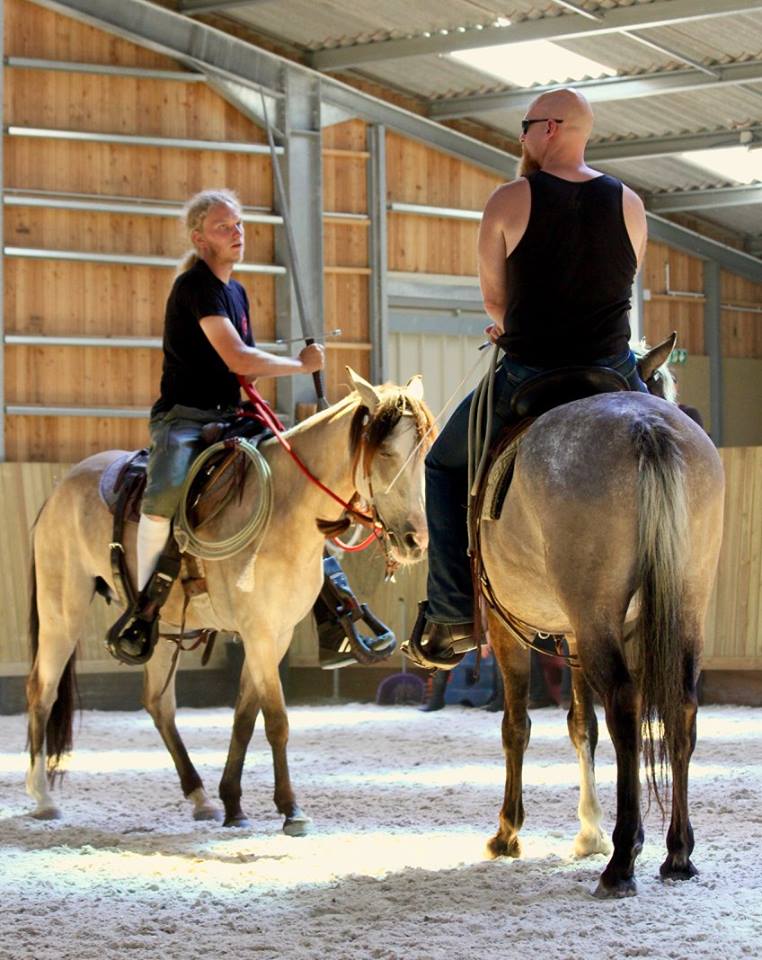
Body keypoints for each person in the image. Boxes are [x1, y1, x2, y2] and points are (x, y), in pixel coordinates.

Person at [403, 89, 649, 670]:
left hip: (531, 371)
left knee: (440, 463)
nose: (521, 137)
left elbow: (496, 301)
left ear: (551, 128)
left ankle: (450, 610)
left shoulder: (510, 199)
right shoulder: (632, 203)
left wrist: (508, 325)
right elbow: (619, 286)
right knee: (675, 440)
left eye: (526, 126)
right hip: (612, 370)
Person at [108, 188, 326, 663]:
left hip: (231, 416)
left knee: (294, 475)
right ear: (199, 238)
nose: (237, 234)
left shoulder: (236, 291)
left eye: (240, 225)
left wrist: (280, 368)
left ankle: (333, 602)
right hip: (184, 417)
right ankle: (145, 604)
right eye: (224, 227)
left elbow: (242, 371)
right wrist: (298, 365)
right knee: (163, 496)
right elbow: (236, 357)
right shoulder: (196, 287)